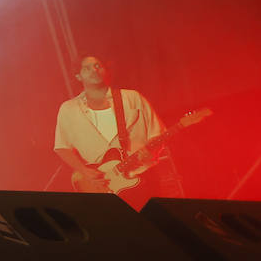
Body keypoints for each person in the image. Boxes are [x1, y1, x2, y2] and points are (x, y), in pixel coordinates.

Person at [54, 54, 183, 209]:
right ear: (78, 76)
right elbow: (62, 147)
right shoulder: (69, 109)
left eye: (98, 65)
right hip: (101, 186)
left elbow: (157, 133)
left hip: (142, 177)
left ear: (106, 70)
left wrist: (151, 152)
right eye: (87, 68)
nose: (94, 70)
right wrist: (84, 171)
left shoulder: (132, 98)